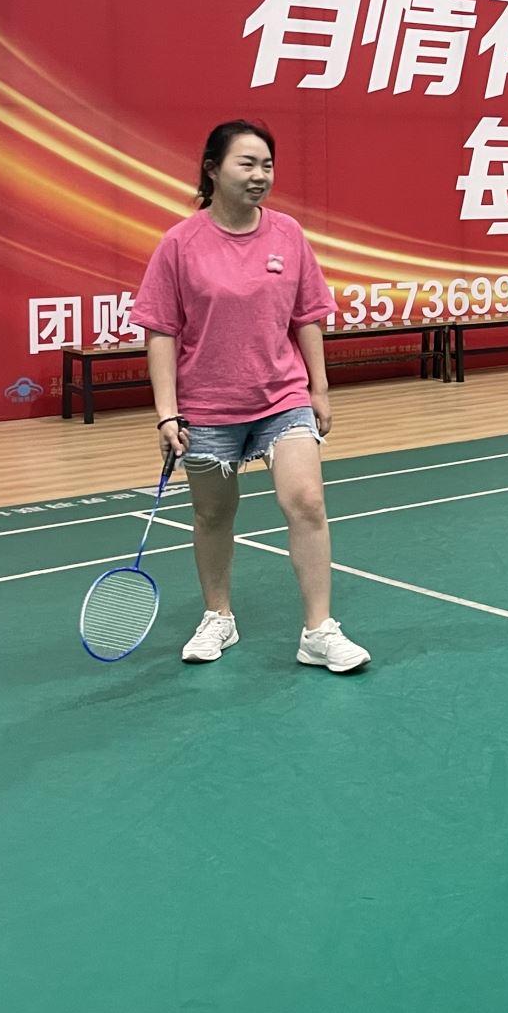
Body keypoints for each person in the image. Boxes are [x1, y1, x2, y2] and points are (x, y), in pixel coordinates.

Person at [132, 120, 370, 673]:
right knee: (213, 515)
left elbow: (307, 316)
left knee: (306, 501)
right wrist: (167, 413)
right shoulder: (180, 243)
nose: (260, 175)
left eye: (267, 165)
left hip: (282, 396)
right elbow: (161, 331)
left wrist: (318, 389)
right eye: (247, 163)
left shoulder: (288, 234)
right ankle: (218, 616)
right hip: (208, 405)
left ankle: (318, 631)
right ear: (212, 170)